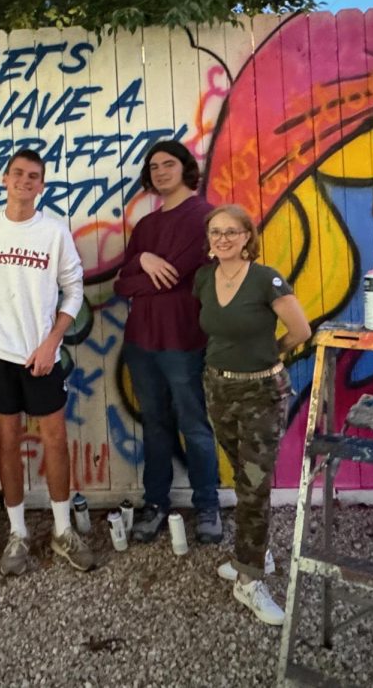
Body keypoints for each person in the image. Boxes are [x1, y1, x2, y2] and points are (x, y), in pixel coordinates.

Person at [0, 149, 95, 574]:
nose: (25, 181)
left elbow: (73, 290)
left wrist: (51, 341)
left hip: (42, 356)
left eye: (34, 176)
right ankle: (18, 533)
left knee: (55, 441)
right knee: (7, 443)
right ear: (4, 179)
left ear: (42, 186)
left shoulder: (54, 232)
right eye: (17, 173)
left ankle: (61, 532)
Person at [193, 203, 311, 625]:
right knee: (242, 475)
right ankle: (255, 551)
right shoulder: (204, 278)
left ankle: (249, 579)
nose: (222, 238)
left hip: (262, 390)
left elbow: (300, 331)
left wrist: (268, 357)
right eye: (215, 232)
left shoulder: (266, 279)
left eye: (231, 231)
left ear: (247, 237)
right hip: (217, 386)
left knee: (254, 483)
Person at [114, 140, 221, 545]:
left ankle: (207, 505)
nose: (160, 171)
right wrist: (143, 261)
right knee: (155, 426)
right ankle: (155, 502)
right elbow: (122, 283)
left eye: (168, 164)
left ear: (186, 168)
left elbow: (176, 277)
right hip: (141, 343)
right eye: (153, 166)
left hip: (183, 339)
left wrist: (147, 275)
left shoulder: (204, 217)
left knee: (194, 424)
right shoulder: (146, 227)